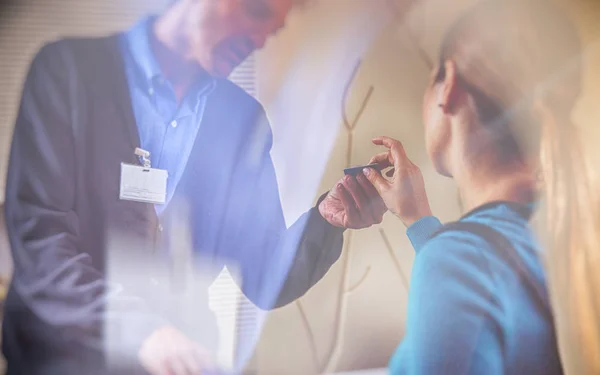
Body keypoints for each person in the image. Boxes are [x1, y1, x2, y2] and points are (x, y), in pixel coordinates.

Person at [2, 0, 387, 374]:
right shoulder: (67, 72)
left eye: (271, 30)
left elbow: (263, 271)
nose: (257, 39)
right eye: (255, 12)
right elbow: (41, 244)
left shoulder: (242, 119)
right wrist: (142, 330)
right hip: (60, 361)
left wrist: (325, 220)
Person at [361, 0, 598, 373]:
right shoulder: (573, 231)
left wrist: (441, 252)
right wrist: (421, 224)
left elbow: (474, 280)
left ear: (449, 84)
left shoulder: (458, 263)